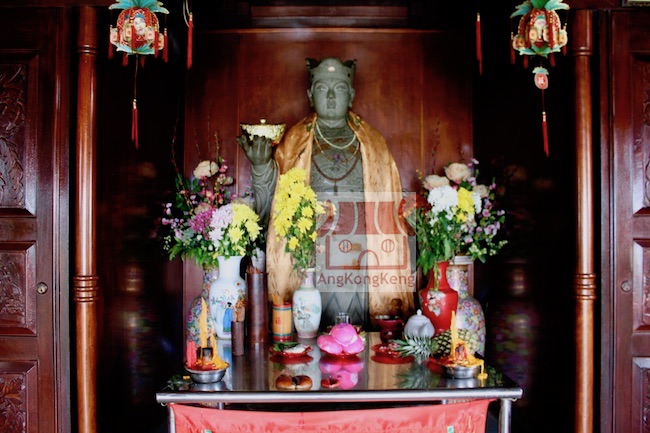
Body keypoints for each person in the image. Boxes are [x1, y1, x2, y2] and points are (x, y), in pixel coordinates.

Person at [238, 57, 414, 327]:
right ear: (310, 95)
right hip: (311, 250)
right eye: (322, 89)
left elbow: (389, 200)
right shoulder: (295, 141)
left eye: (339, 89)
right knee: (310, 320)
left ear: (351, 95)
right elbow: (274, 204)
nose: (331, 97)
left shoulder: (373, 142)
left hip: (360, 249)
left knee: (357, 323)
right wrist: (261, 167)